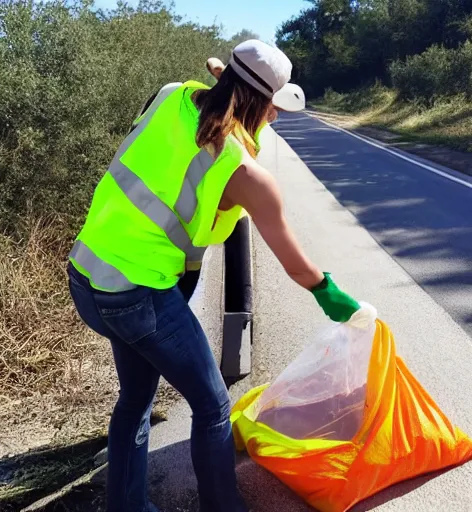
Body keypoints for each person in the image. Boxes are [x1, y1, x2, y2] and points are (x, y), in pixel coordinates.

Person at [67, 39, 360, 512]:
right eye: (273, 109)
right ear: (263, 104)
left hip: (85, 275)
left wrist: (231, 82)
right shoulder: (244, 173)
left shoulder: (170, 95)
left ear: (224, 80)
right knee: (212, 407)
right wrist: (329, 291)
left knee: (135, 401)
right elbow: (294, 262)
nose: (277, 118)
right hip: (137, 298)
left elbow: (211, 105)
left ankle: (126, 507)